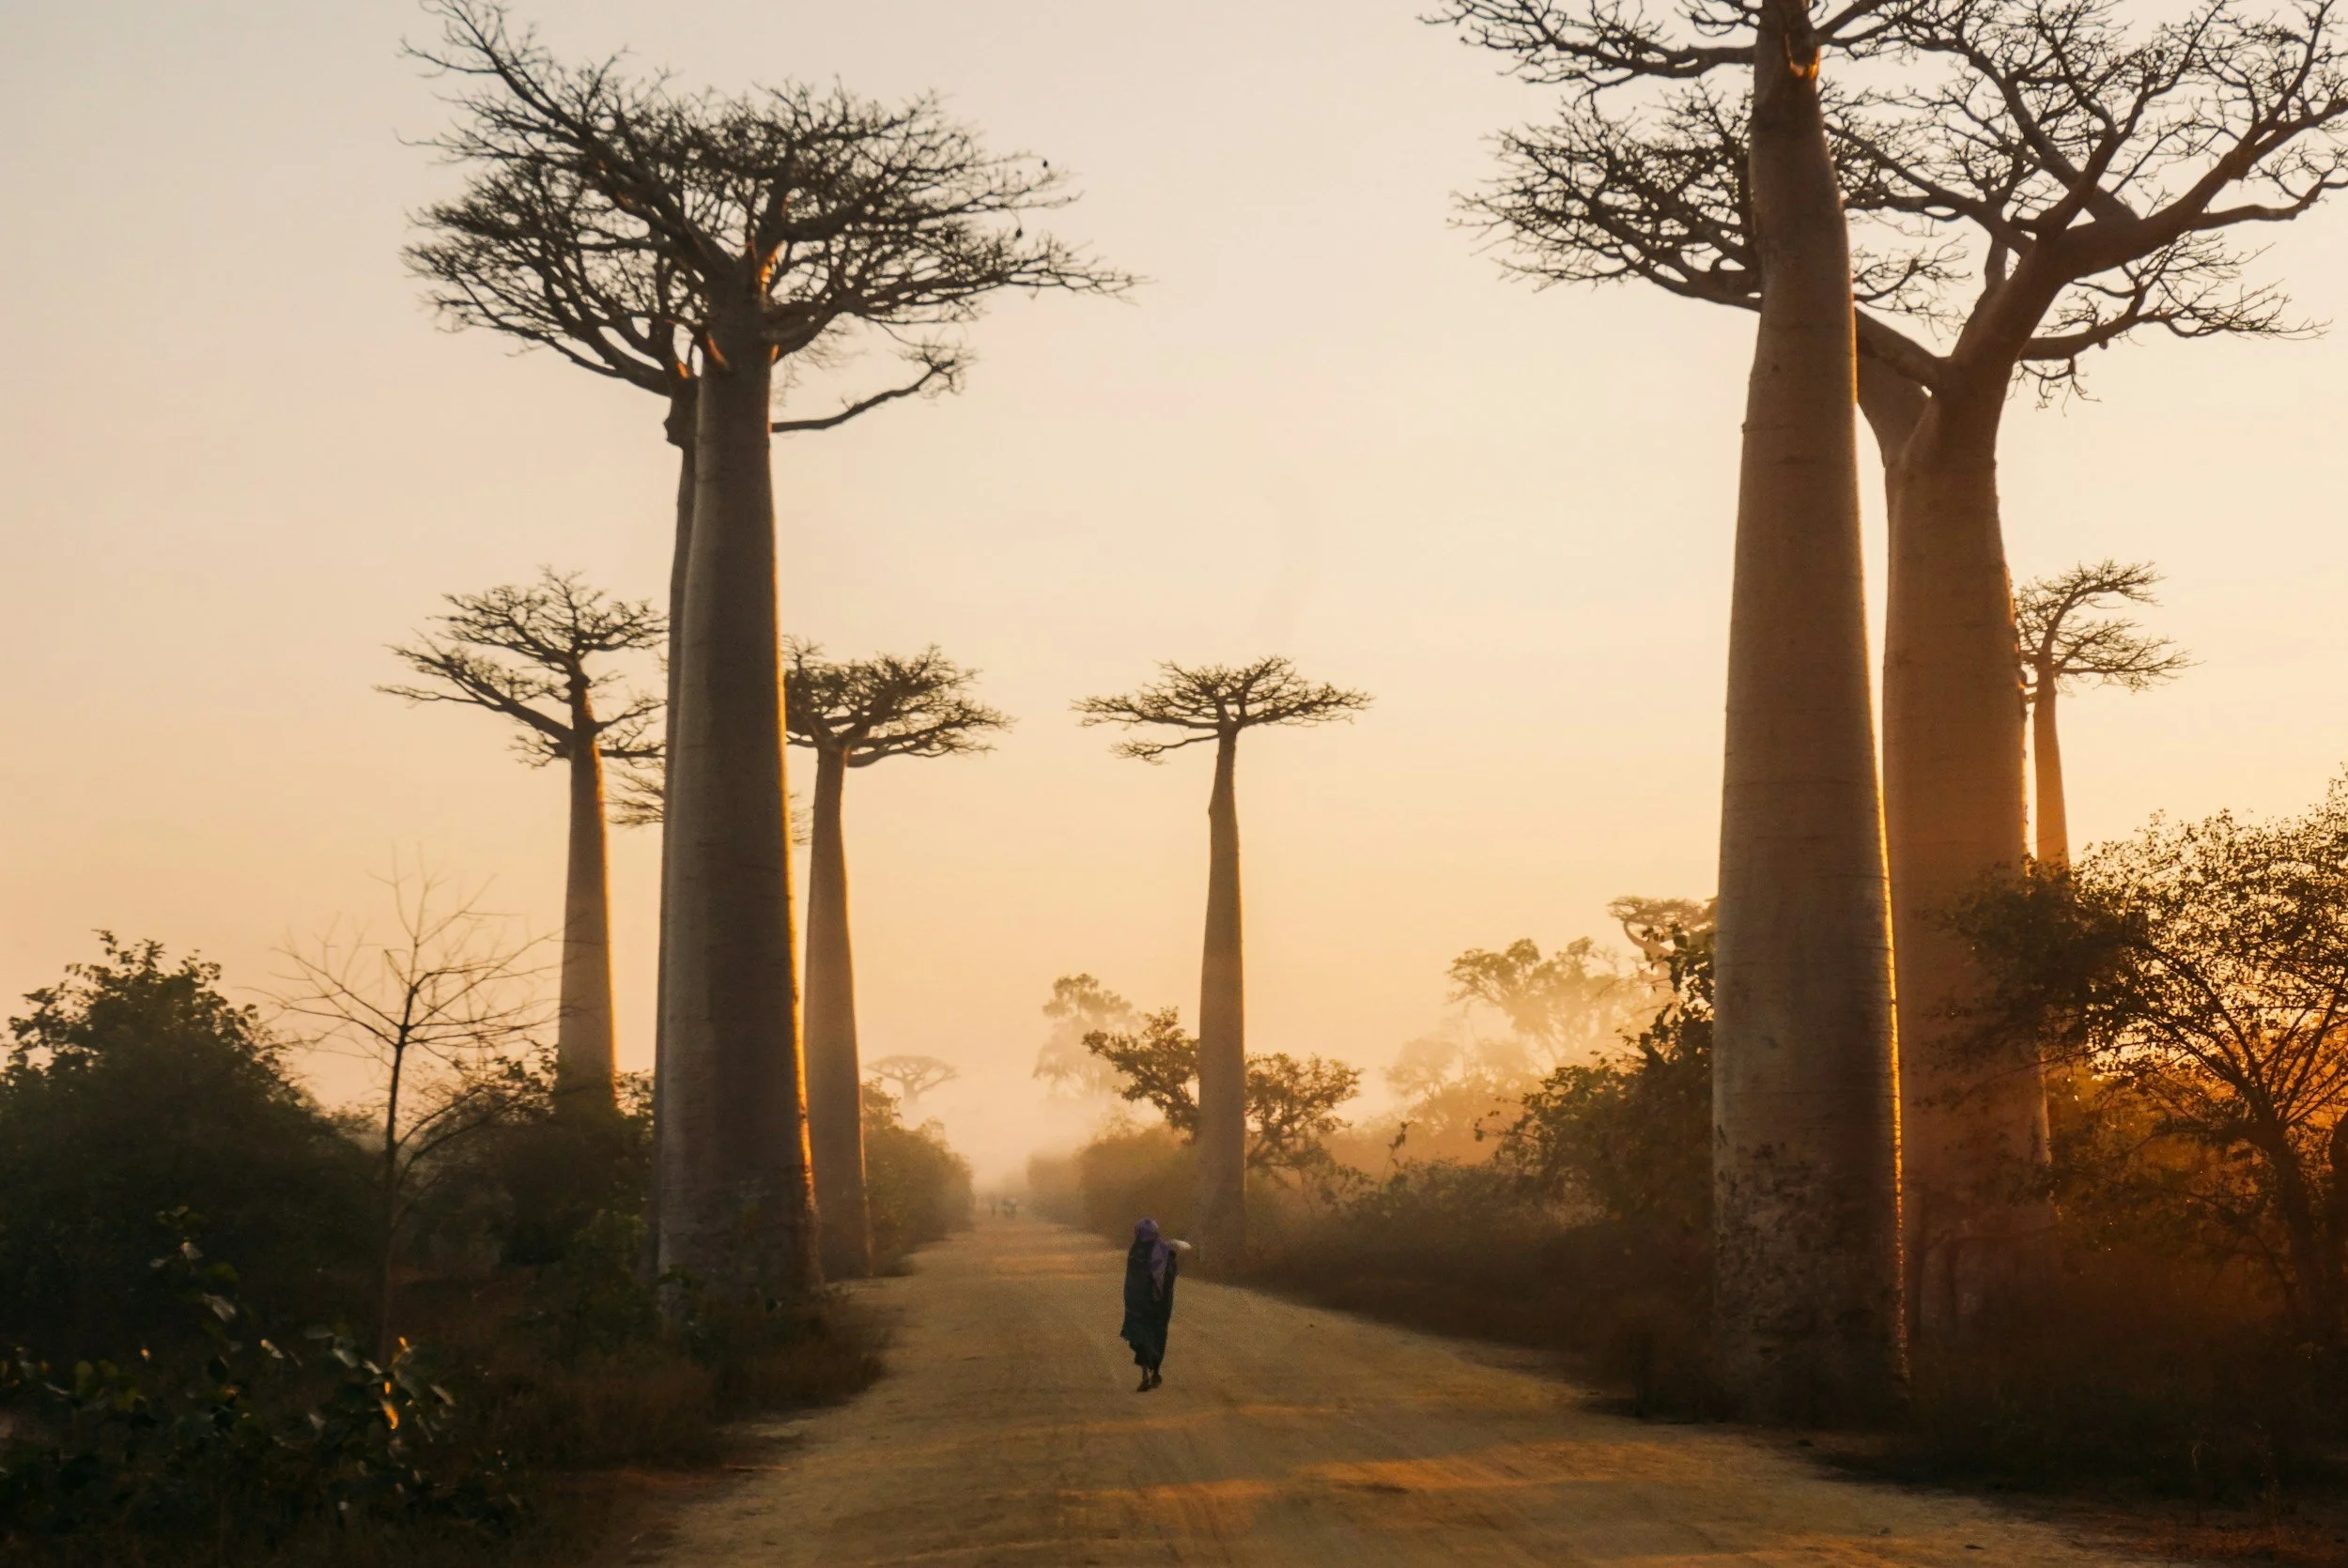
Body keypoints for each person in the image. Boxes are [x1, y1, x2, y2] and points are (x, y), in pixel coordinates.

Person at [1120, 1218, 1190, 1391]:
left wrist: (1130, 1303)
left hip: (1138, 1304)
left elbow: (1131, 1281)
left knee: (1142, 1337)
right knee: (1158, 1335)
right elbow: (1170, 1277)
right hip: (1160, 1305)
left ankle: (1145, 1374)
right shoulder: (1164, 1251)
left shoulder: (1135, 1252)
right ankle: (1155, 1372)